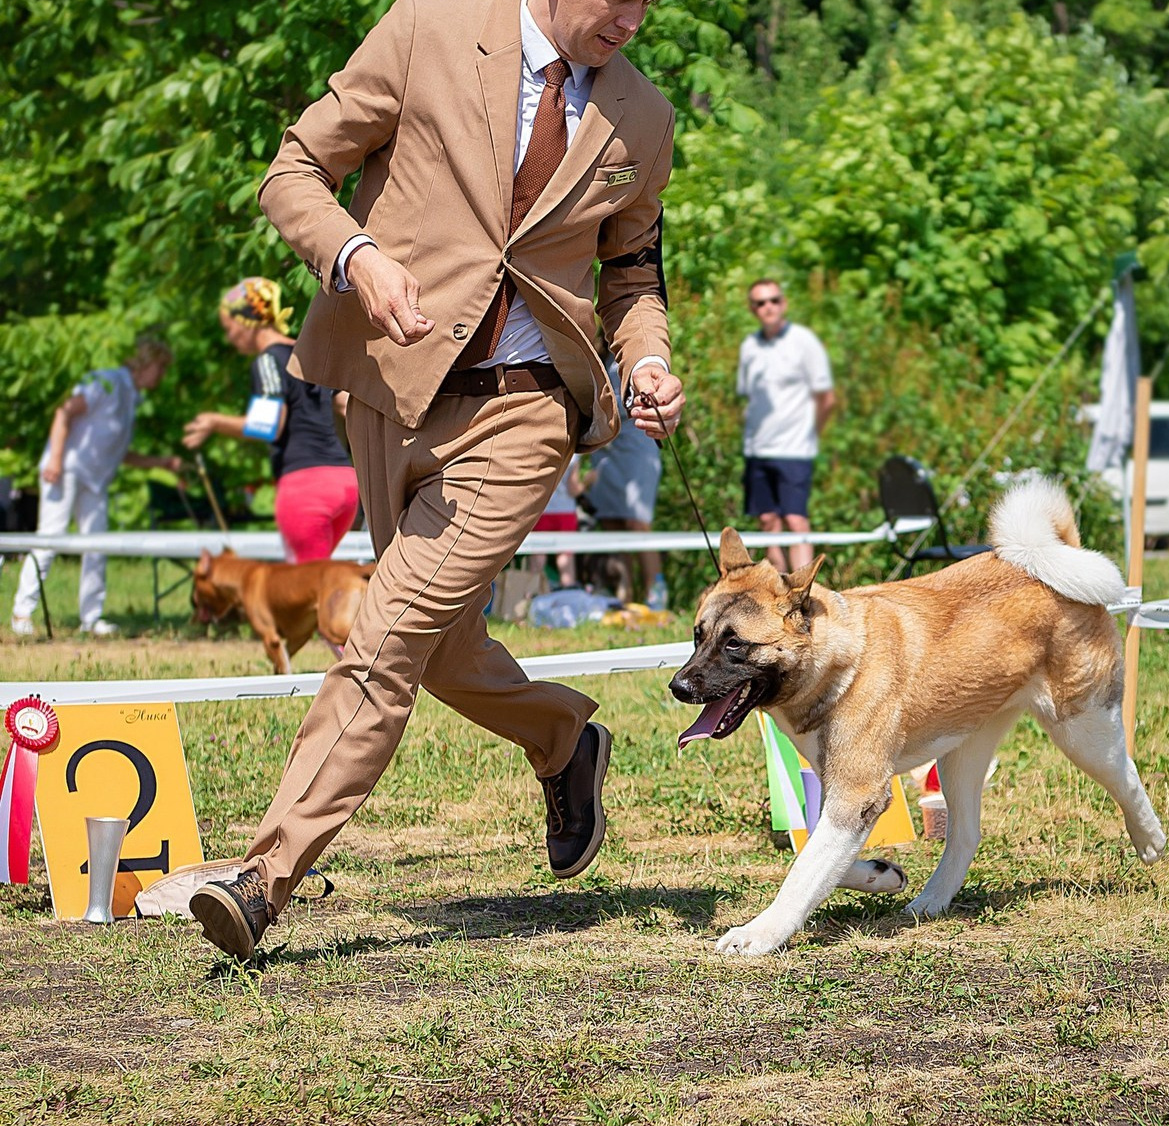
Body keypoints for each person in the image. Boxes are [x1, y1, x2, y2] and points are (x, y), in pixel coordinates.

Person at [189, 0, 685, 961]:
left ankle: (262, 879)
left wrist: (649, 360)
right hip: (387, 386)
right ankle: (564, 740)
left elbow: (632, 276)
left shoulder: (646, 117)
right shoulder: (429, 24)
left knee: (384, 634)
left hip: (529, 408)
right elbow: (295, 169)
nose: (631, 19)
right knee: (443, 644)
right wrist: (355, 255)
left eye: (649, 2)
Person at [10, 336, 179, 637]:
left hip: (95, 480)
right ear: (145, 362)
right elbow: (64, 412)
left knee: (97, 544)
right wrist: (56, 460)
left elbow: (118, 452)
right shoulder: (107, 382)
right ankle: (22, 613)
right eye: (160, 367)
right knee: (51, 538)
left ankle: (91, 618)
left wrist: (160, 462)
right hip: (65, 470)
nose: (162, 376)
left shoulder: (133, 398)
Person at [182, 279, 360, 563]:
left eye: (230, 329)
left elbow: (269, 425)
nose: (230, 338)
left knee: (307, 594)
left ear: (247, 321)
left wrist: (215, 422)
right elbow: (346, 405)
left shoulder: (267, 361)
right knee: (324, 582)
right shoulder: (309, 353)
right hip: (345, 484)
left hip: (306, 488)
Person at [737, 279, 835, 572]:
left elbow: (826, 397)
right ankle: (778, 588)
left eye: (773, 300)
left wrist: (810, 435)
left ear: (784, 303)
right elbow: (749, 398)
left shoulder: (804, 341)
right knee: (768, 522)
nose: (768, 307)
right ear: (753, 309)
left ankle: (806, 590)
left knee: (795, 520)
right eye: (760, 302)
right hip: (757, 448)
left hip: (795, 449)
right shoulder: (750, 346)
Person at [589, 353, 665, 607]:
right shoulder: (598, 352)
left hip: (637, 441)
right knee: (611, 523)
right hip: (606, 446)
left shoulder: (639, 353)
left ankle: (656, 595)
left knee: (637, 523)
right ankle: (624, 595)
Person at [528, 457, 584, 588]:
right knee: (565, 557)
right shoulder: (574, 455)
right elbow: (573, 488)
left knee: (538, 557)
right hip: (565, 512)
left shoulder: (542, 450)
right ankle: (568, 595)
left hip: (542, 509)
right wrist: (587, 482)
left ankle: (529, 597)